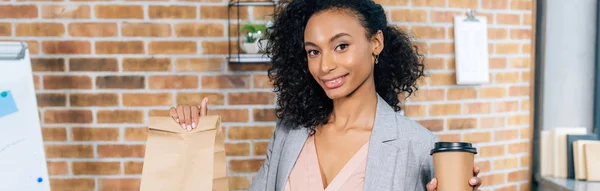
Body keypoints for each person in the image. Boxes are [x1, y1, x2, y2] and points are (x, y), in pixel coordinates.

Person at [170, 0, 482, 190]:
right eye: (313, 51)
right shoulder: (289, 134)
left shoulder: (418, 146)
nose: (325, 65)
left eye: (341, 45)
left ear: (376, 43)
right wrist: (194, 142)